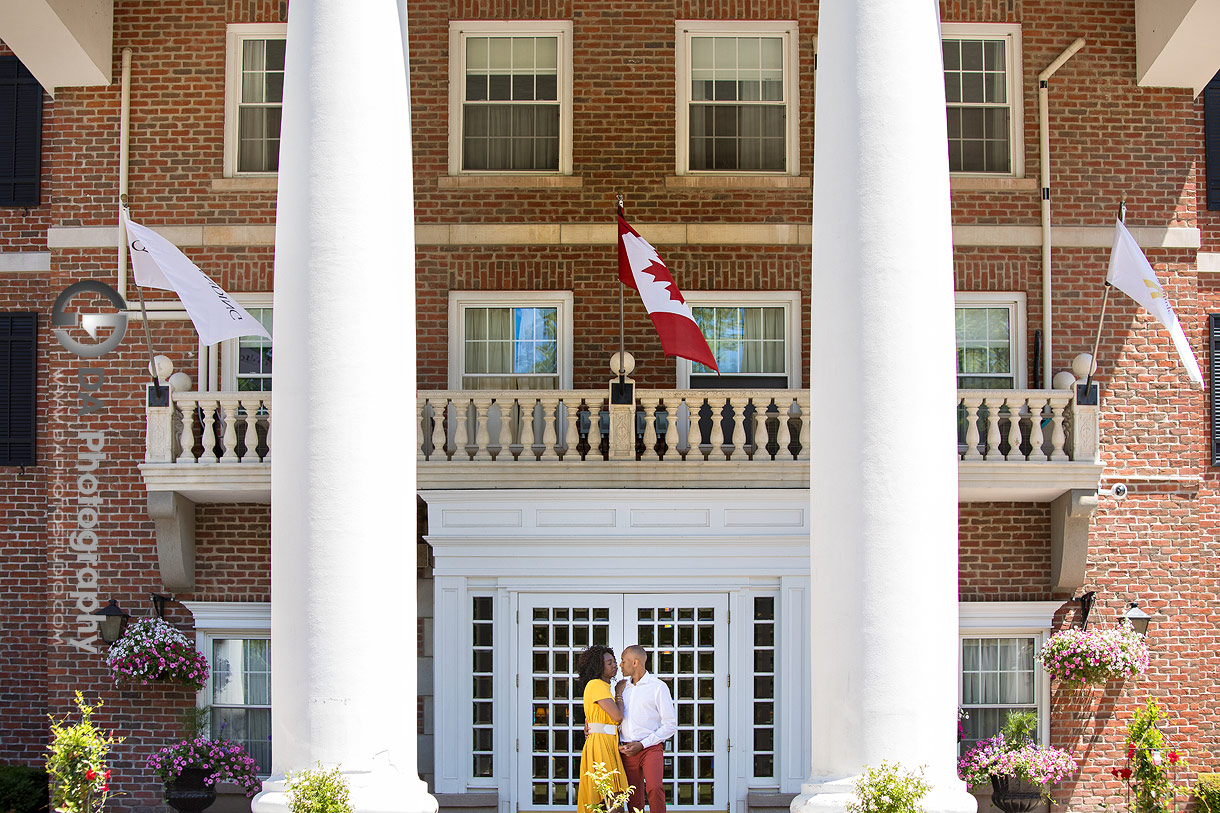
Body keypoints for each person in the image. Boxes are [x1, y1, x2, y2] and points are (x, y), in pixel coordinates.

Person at [617, 644, 677, 813]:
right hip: (627, 750)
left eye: (623, 661)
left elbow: (670, 725)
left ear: (635, 662)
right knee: (633, 795)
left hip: (650, 748)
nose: (620, 665)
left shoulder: (658, 687)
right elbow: (612, 715)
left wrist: (643, 744)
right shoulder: (621, 688)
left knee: (655, 788)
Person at [576, 645, 629, 813]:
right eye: (609, 663)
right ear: (599, 666)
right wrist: (619, 694)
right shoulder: (596, 685)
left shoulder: (603, 687)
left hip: (606, 743)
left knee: (609, 800)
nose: (614, 665)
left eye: (614, 662)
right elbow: (617, 717)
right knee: (612, 800)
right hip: (600, 746)